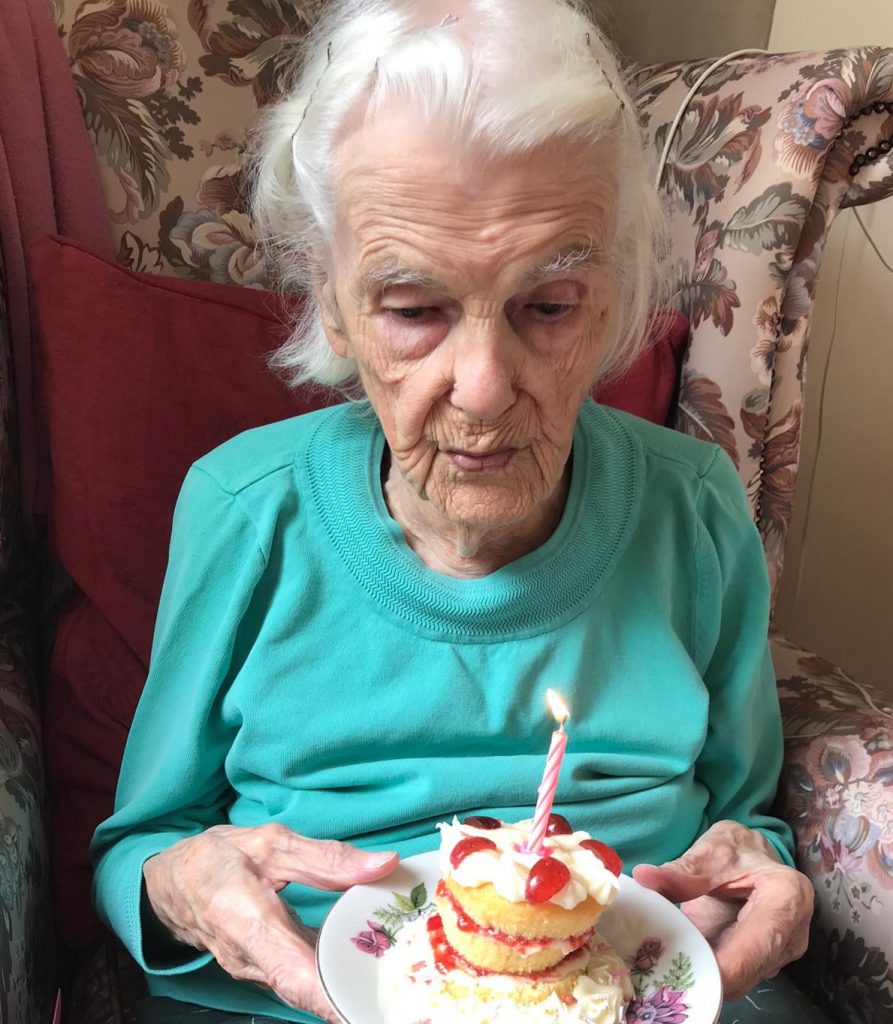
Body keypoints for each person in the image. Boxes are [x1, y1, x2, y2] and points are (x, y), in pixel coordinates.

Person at [91, 2, 815, 1022]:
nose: (480, 387)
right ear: (327, 297)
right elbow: (142, 847)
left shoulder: (690, 508)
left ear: (612, 297)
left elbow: (747, 827)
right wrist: (179, 886)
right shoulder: (242, 508)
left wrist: (768, 879)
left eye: (547, 305)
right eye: (412, 307)